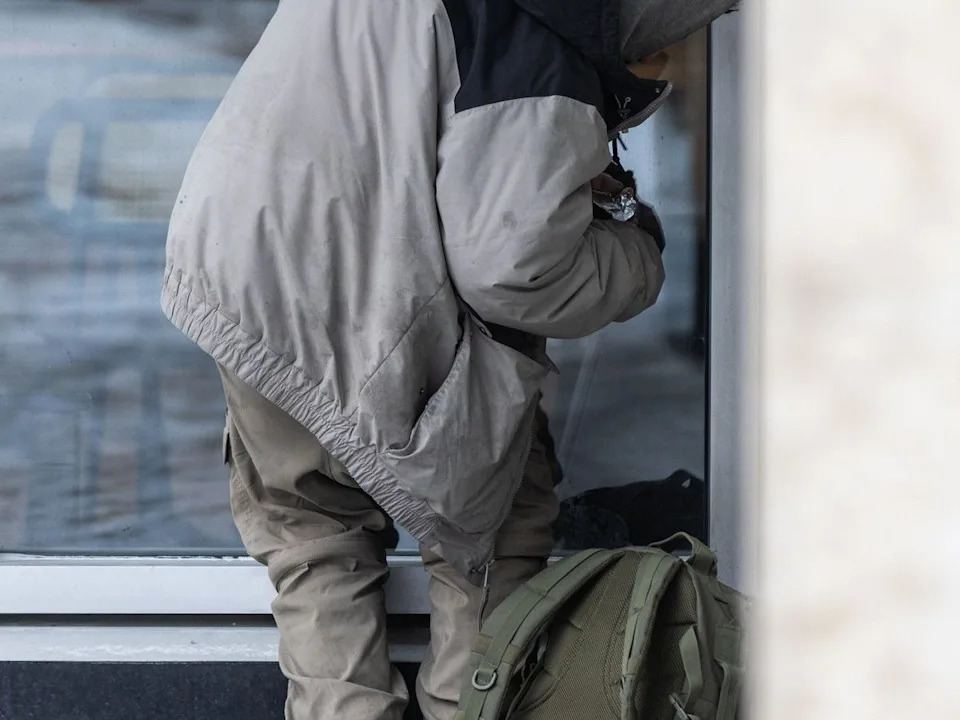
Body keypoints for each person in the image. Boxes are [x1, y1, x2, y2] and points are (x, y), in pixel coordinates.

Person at [162, 0, 737, 717]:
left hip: (246, 266)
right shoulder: (537, 36)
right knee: (491, 537)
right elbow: (514, 268)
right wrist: (637, 250)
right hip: (377, 286)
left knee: (314, 536)